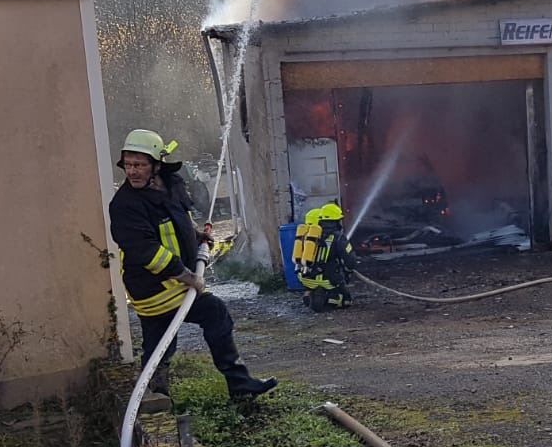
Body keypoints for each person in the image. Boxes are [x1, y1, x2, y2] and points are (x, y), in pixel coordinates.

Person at [108, 128, 277, 412]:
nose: (132, 171)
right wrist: (189, 277)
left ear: (157, 165)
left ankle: (158, 398)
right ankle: (231, 385)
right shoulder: (125, 205)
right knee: (207, 316)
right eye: (128, 165)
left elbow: (178, 224)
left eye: (139, 164)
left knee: (162, 345)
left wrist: (198, 237)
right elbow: (147, 251)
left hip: (175, 282)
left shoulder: (171, 185)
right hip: (154, 288)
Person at [301, 202, 362, 312]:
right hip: (327, 279)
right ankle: (324, 300)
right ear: (336, 221)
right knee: (346, 301)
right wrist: (348, 272)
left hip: (307, 278)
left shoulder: (311, 234)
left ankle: (309, 293)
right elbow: (350, 261)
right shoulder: (338, 237)